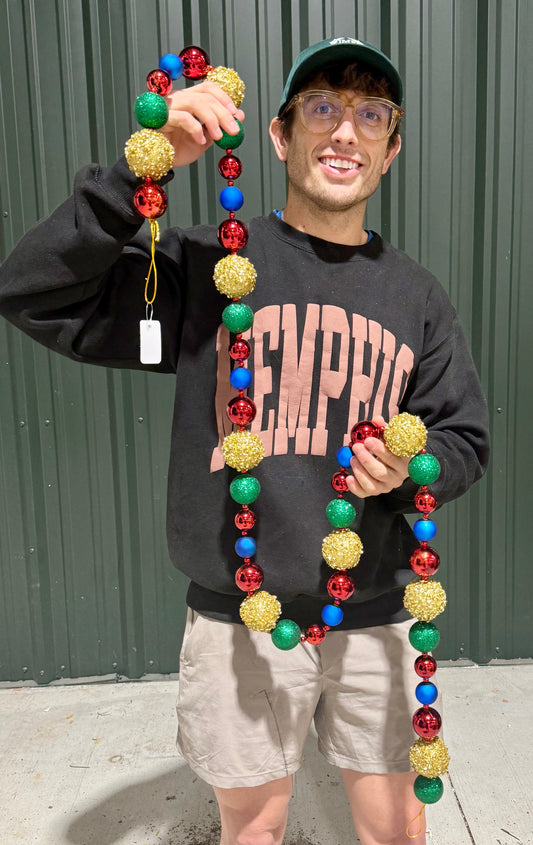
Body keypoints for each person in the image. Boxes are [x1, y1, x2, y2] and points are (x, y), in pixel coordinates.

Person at [0, 36, 489, 845]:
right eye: (322, 107)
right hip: (239, 613)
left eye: (370, 114)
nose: (344, 132)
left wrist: (410, 467)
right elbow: (34, 291)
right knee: (253, 833)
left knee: (398, 832)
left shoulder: (417, 297)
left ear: (390, 148)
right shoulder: (205, 267)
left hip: (376, 612)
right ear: (278, 133)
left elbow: (464, 437)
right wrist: (140, 175)